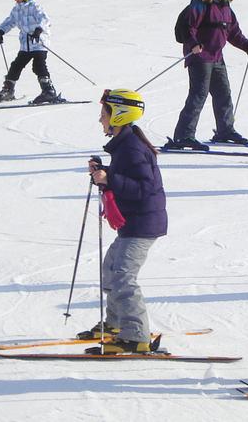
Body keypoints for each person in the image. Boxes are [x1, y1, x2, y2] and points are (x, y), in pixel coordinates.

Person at [81, 89, 167, 354]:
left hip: (143, 224)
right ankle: (116, 324)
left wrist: (110, 179)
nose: (100, 120)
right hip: (133, 222)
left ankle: (136, 336)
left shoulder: (131, 148)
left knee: (123, 277)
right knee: (111, 270)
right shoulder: (124, 145)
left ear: (118, 115)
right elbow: (125, 179)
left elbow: (144, 188)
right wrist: (104, 172)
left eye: (103, 114)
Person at [163, 0, 248, 151]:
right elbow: (188, 26)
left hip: (216, 57)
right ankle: (183, 136)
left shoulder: (225, 5)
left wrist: (246, 44)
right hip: (200, 56)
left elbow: (232, 31)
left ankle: (225, 130)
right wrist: (193, 42)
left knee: (223, 93)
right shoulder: (201, 2)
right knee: (199, 94)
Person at [0, 0, 60, 104]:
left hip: (39, 42)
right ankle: (8, 90)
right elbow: (10, 21)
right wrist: (1, 31)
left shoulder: (35, 7)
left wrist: (39, 30)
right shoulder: (16, 9)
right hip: (25, 45)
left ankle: (49, 91)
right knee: (16, 66)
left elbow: (45, 19)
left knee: (38, 66)